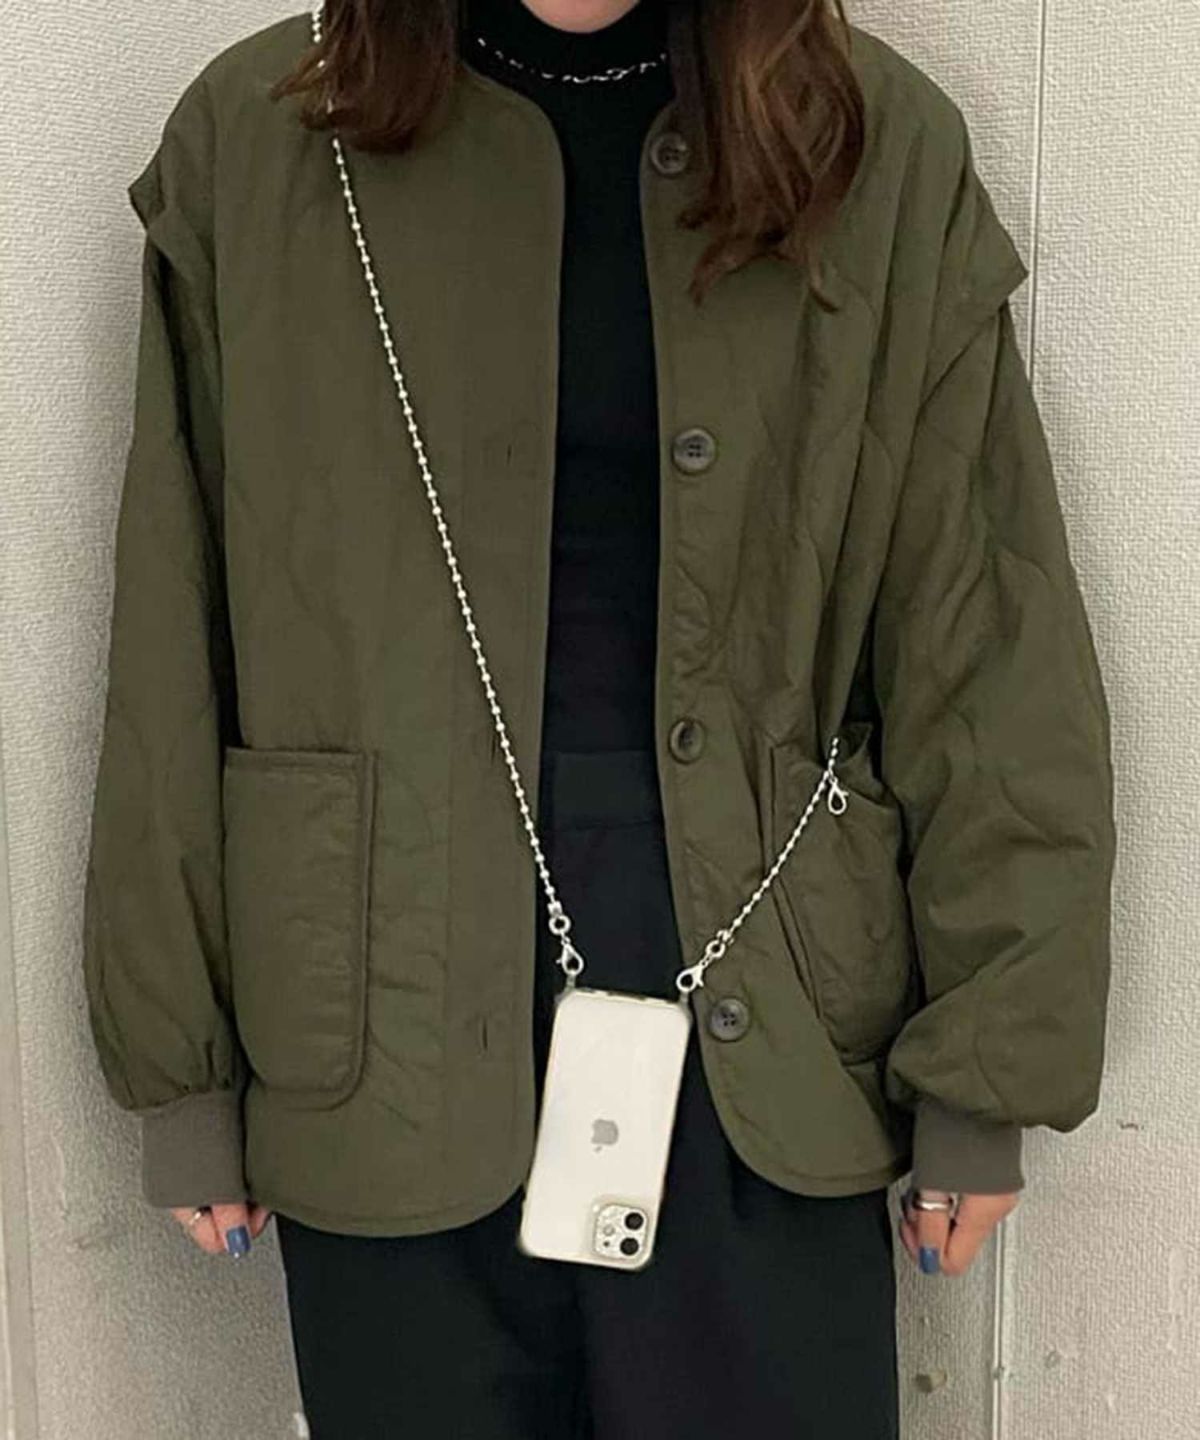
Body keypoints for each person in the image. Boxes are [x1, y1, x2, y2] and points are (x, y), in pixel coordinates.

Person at [81, 0, 1116, 1435]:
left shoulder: (871, 144)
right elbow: (173, 619)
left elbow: (983, 635)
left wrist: (988, 1067)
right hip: (370, 1006)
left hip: (770, 1001)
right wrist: (181, 1064)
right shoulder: (261, 138)